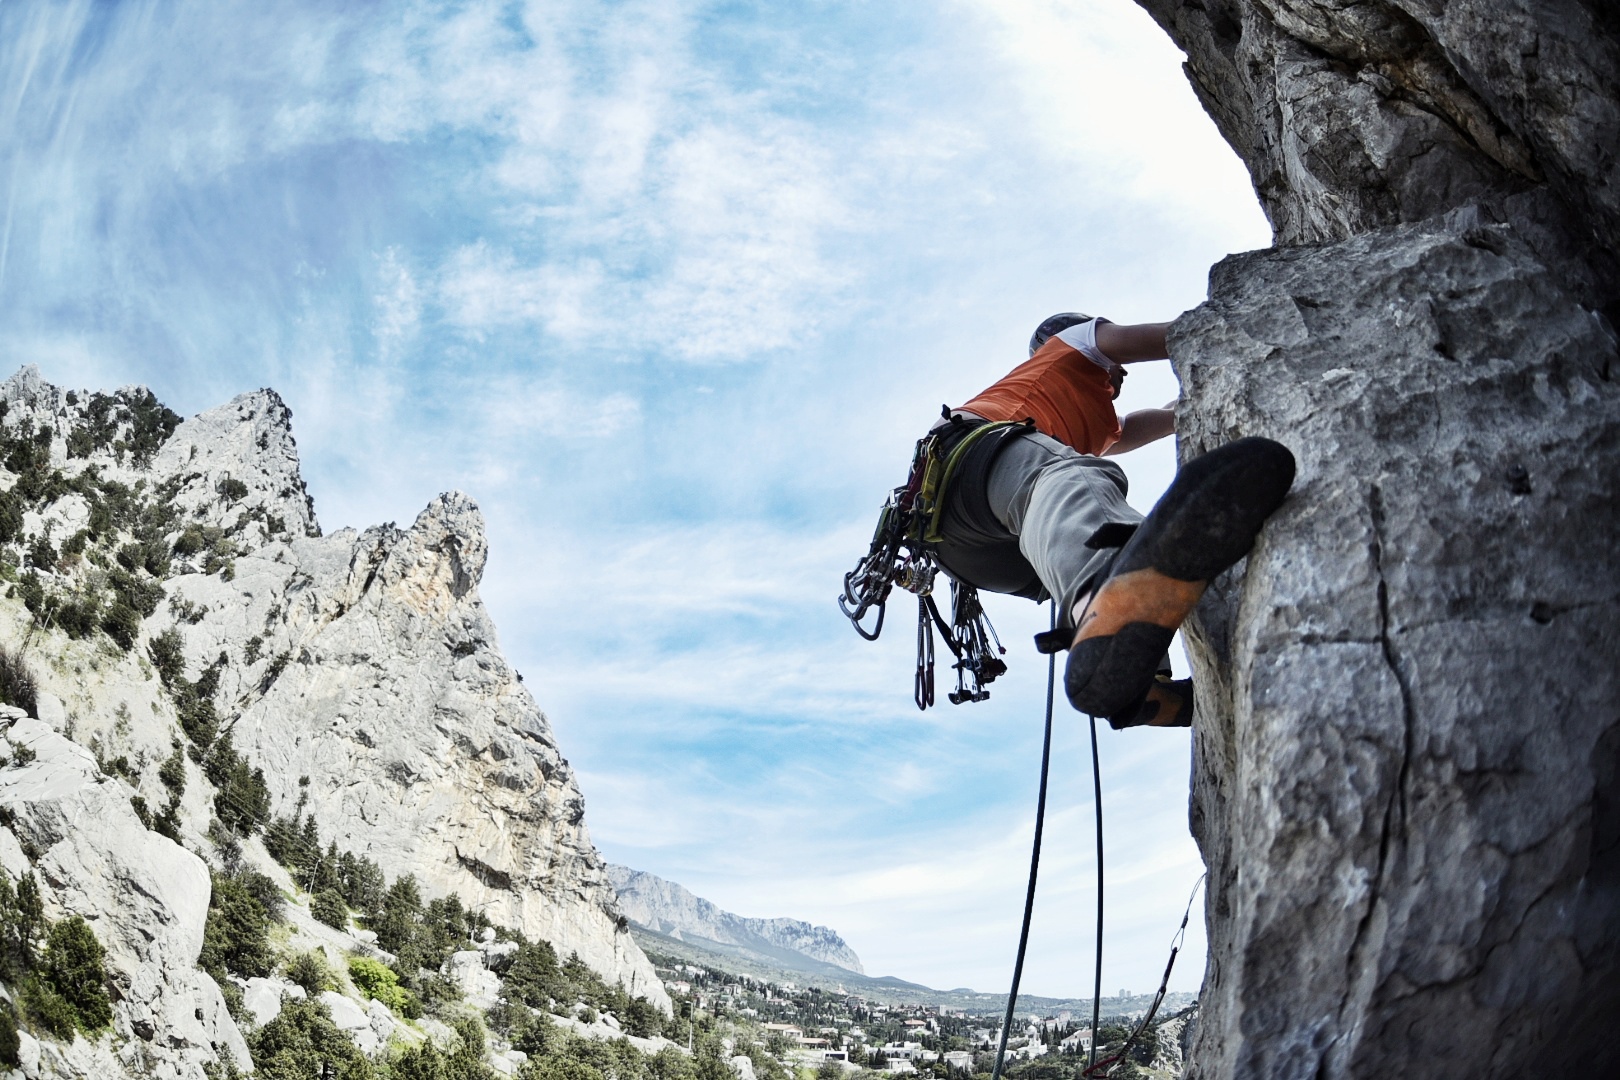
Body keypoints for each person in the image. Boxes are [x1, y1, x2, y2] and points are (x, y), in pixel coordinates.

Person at [922, 312, 1295, 728]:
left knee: (1127, 554)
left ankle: (1144, 688)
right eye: (1114, 365)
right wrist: (1254, 324)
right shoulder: (1070, 343)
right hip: (980, 458)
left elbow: (1150, 421)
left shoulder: (1099, 426)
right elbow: (1182, 336)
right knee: (1078, 483)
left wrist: (1198, 400)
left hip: (973, 548)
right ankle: (1101, 613)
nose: (1122, 374)